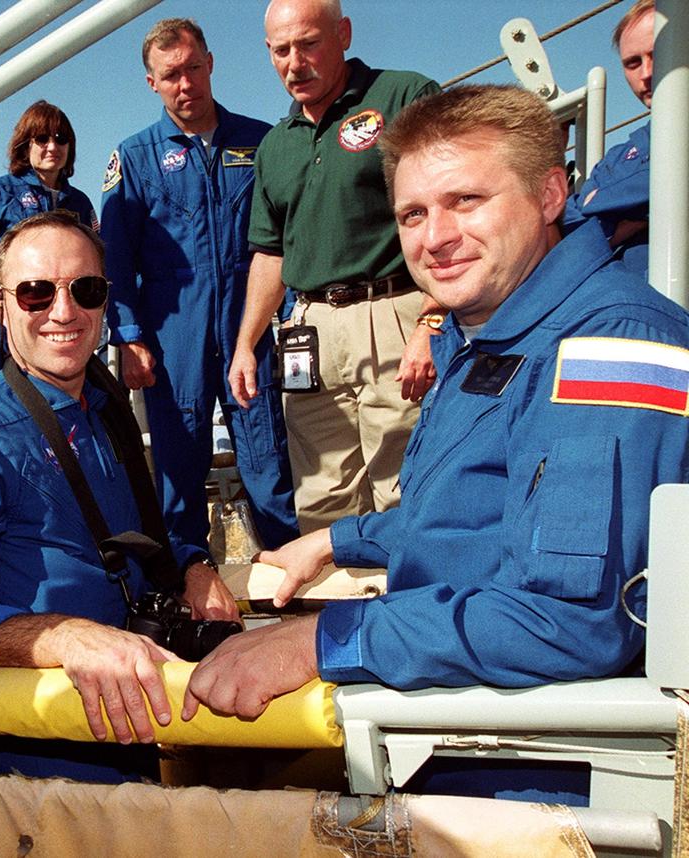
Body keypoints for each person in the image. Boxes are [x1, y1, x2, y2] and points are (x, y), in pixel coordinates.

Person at [185, 84, 689, 805]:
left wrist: (322, 641)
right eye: (413, 214)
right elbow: (484, 517)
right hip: (461, 730)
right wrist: (335, 542)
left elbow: (569, 620)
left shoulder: (602, 342)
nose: (434, 237)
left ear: (551, 194)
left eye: (466, 202)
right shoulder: (492, 328)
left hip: (542, 780)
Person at [0, 210, 239, 783]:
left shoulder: (103, 412)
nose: (63, 312)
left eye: (86, 289)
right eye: (34, 293)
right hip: (37, 758)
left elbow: (136, 532)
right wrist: (62, 637)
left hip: (129, 724)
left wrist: (193, 566)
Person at [229, 0, 443, 533]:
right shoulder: (275, 146)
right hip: (309, 331)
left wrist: (433, 319)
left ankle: (411, 613)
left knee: (406, 487)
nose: (295, 63)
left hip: (394, 314)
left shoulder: (404, 96)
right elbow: (270, 253)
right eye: (282, 50)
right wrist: (245, 344)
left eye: (309, 44)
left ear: (343, 34)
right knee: (322, 495)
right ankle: (336, 616)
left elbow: (443, 209)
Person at [99, 18, 298, 561]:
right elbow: (114, 258)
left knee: (267, 463)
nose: (185, 84)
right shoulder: (135, 157)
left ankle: (287, 579)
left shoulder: (263, 142)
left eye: (192, 68)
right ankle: (184, 587)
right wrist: (131, 337)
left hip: (249, 329)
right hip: (172, 340)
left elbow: (286, 239)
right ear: (152, 83)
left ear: (210, 64)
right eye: (171, 75)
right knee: (178, 467)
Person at [0, 100, 98, 378]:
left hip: (60, 321)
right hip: (3, 324)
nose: (52, 146)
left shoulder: (80, 203)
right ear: (25, 145)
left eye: (61, 139)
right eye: (42, 138)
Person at [564, 0, 654, 272]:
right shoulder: (618, 158)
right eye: (633, 63)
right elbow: (566, 224)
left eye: (659, 54)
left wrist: (602, 204)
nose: (646, 74)